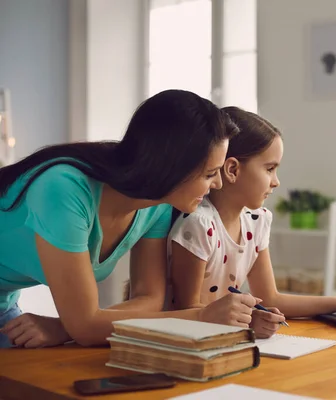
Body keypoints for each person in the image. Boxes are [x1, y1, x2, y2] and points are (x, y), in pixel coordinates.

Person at [0, 90, 260, 348]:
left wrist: (67, 326)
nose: (217, 183)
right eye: (210, 173)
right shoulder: (63, 189)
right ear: (172, 166)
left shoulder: (157, 206)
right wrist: (202, 317)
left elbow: (149, 298)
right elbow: (86, 327)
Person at [168, 106, 336, 339]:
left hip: (223, 339)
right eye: (269, 169)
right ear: (232, 170)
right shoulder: (198, 225)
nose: (276, 182)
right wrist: (245, 322)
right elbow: (187, 313)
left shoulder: (257, 221)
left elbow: (271, 298)